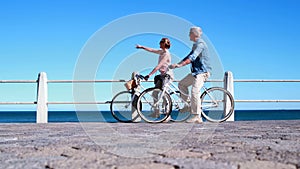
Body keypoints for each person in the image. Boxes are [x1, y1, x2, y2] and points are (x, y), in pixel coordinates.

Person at [170, 26, 211, 123]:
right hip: (196, 72)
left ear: (194, 34)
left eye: (190, 33)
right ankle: (188, 105)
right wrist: (178, 64)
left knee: (195, 91)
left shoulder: (200, 44)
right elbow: (188, 56)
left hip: (202, 72)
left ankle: (197, 116)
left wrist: (181, 65)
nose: (188, 35)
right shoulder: (195, 45)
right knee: (181, 84)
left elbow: (192, 57)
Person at [136, 38, 173, 120]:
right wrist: (142, 47)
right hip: (161, 75)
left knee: (164, 95)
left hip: (167, 75)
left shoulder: (166, 53)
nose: (159, 44)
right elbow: (151, 50)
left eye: (160, 43)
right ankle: (156, 112)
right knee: (155, 93)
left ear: (164, 44)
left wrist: (149, 74)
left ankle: (167, 115)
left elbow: (159, 65)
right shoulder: (161, 51)